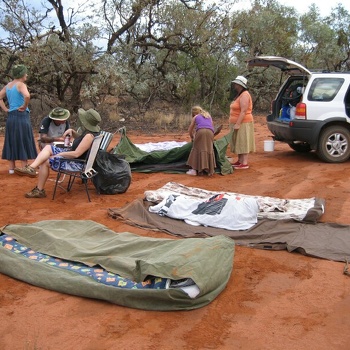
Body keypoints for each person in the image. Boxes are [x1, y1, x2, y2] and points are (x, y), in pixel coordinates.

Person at [14, 108, 102, 198]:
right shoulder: (93, 133)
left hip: (76, 163)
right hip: (77, 159)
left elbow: (76, 154)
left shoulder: (89, 136)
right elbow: (82, 140)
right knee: (48, 147)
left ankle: (39, 190)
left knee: (45, 162)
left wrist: (60, 155)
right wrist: (72, 131)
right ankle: (31, 168)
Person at [0, 64, 38, 174]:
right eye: (25, 72)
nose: (26, 74)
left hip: (11, 116)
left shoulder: (8, 85)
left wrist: (6, 109)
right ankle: (24, 167)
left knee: (12, 139)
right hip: (21, 116)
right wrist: (25, 106)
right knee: (22, 139)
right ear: (21, 74)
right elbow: (27, 96)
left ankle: (11, 169)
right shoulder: (21, 85)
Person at [229, 75, 255, 169]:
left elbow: (243, 111)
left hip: (243, 122)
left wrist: (238, 123)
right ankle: (239, 160)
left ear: (240, 85)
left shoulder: (245, 94)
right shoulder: (239, 94)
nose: (235, 85)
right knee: (238, 141)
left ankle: (244, 162)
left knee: (243, 140)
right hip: (236, 121)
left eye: (236, 84)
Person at [186, 105, 216, 176]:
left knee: (196, 148)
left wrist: (192, 137)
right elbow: (212, 126)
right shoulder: (208, 115)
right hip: (210, 132)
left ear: (194, 113)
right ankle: (209, 170)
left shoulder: (196, 117)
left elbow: (190, 129)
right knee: (209, 149)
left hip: (201, 131)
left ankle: (194, 169)